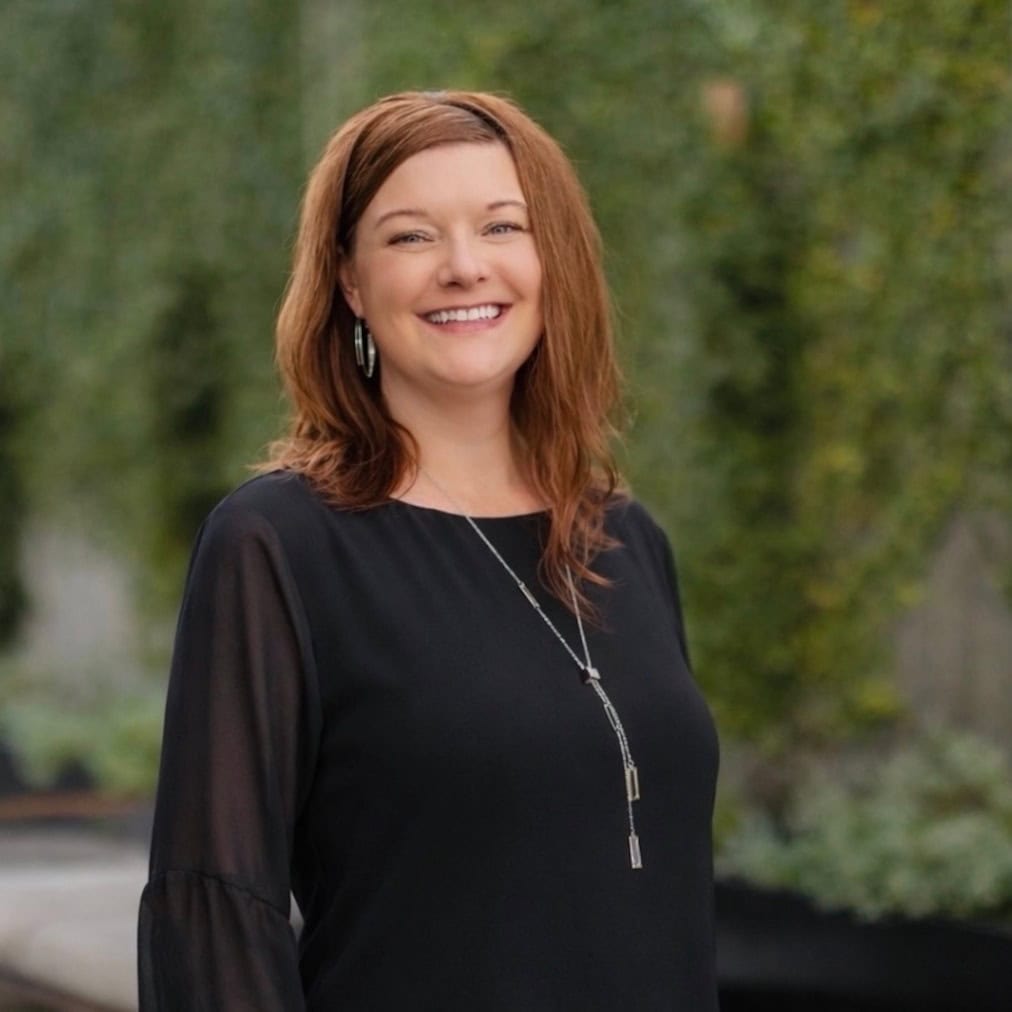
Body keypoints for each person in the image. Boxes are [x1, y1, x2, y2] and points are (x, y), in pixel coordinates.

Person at [138, 89, 720, 1011]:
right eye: (410, 237)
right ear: (350, 283)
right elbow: (215, 910)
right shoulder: (279, 546)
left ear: (552, 261)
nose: (462, 267)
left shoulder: (626, 541)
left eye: (502, 226)